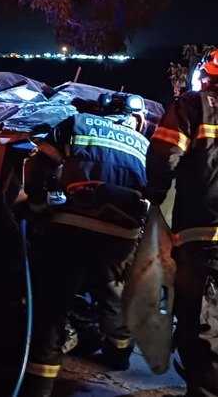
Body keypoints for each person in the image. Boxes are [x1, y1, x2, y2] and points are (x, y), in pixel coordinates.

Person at [20, 93, 150, 397]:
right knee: (116, 295)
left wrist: (39, 203)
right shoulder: (144, 144)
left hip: (70, 228)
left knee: (53, 304)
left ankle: (40, 383)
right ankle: (118, 354)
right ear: (136, 119)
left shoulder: (77, 124)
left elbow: (40, 166)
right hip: (121, 236)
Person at [146, 48, 218, 397]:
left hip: (204, 240)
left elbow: (164, 157)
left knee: (202, 329)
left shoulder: (195, 105)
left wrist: (156, 194)